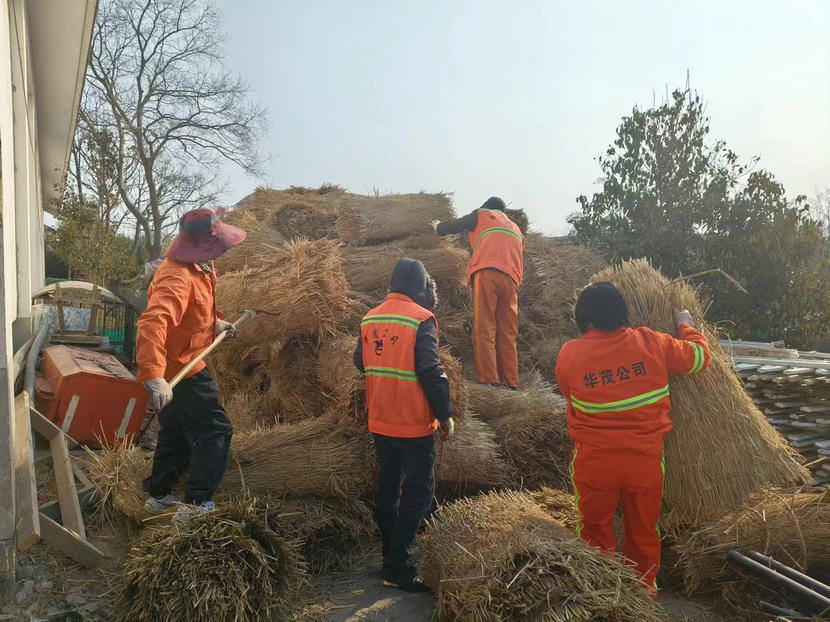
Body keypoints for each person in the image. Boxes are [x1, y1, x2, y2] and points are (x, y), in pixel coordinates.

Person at [554, 282, 711, 592]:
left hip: (594, 463)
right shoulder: (652, 342)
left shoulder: (570, 354)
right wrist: (686, 325)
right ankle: (642, 596)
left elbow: (568, 394)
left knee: (594, 532)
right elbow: (699, 359)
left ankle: (600, 595)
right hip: (644, 462)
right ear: (622, 312)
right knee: (643, 532)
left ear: (583, 317)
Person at [353, 258, 455, 593]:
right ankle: (396, 563)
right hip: (412, 423)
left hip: (380, 419)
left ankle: (389, 554)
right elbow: (431, 370)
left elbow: (359, 361)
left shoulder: (370, 317)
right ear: (420, 287)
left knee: (389, 487)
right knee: (420, 492)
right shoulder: (420, 318)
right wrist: (445, 413)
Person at [137, 208, 246, 517]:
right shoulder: (177, 276)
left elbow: (192, 314)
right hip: (180, 369)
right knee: (216, 430)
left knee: (174, 432)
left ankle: (160, 494)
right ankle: (197, 504)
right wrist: (153, 375)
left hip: (183, 360)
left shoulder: (202, 266)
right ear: (204, 243)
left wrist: (215, 325)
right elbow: (153, 322)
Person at [431, 197, 524, 389]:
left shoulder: (482, 215)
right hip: (511, 280)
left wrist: (438, 227)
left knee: (485, 326)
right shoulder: (516, 228)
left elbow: (457, 224)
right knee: (508, 332)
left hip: (488, 272)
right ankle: (511, 381)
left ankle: (490, 379)